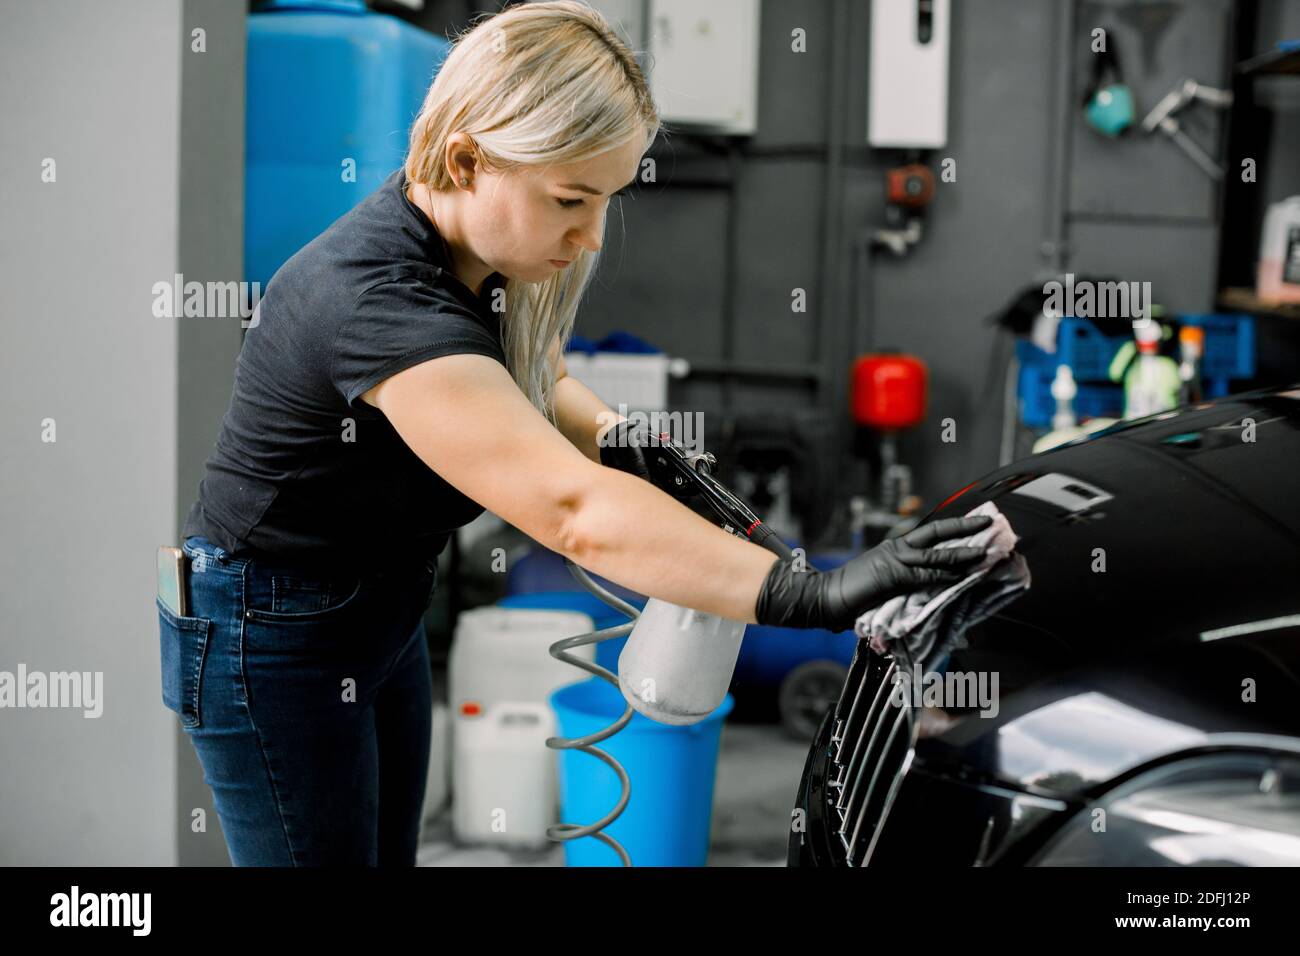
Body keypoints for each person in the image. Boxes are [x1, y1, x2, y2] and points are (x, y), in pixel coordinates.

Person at [159, 0, 991, 867]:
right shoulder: (376, 301)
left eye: (606, 200)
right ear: (466, 159)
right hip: (272, 631)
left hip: (377, 604)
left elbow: (539, 378)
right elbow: (573, 512)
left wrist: (626, 440)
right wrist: (814, 596)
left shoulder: (472, 256)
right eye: (570, 200)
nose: (591, 235)